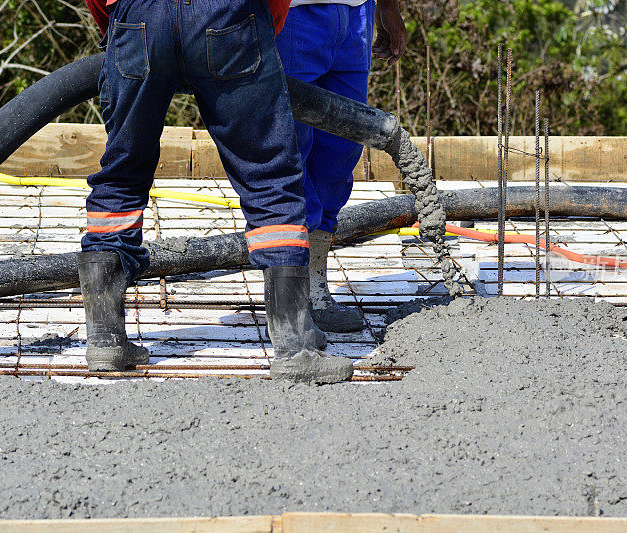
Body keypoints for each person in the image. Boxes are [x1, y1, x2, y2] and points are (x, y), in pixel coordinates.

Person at [83, 0, 352, 383]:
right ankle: (295, 348)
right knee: (268, 176)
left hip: (137, 16)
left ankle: (105, 341)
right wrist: (257, 27)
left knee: (121, 173)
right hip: (226, 14)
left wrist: (121, 26)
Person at [274, 0, 406, 333]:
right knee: (290, 149)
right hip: (291, 13)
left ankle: (317, 283)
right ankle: (294, 291)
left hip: (353, 13)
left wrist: (387, 7)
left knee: (341, 150)